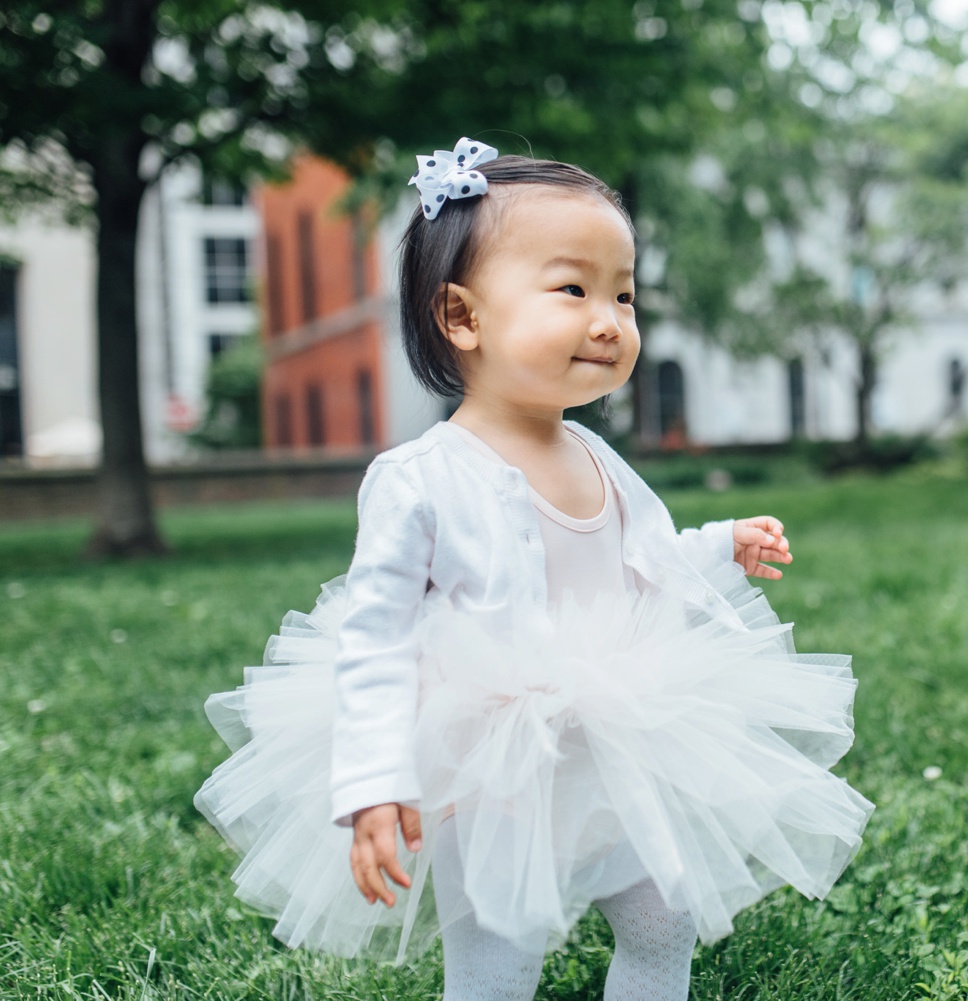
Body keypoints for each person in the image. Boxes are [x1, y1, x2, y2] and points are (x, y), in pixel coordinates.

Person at [194, 138, 874, 1001]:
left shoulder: (595, 453)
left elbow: (642, 557)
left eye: (624, 294)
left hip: (612, 742)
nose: (610, 319)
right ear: (463, 317)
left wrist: (719, 543)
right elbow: (377, 642)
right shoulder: (421, 480)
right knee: (500, 953)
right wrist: (374, 783)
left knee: (664, 914)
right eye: (573, 289)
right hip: (494, 766)